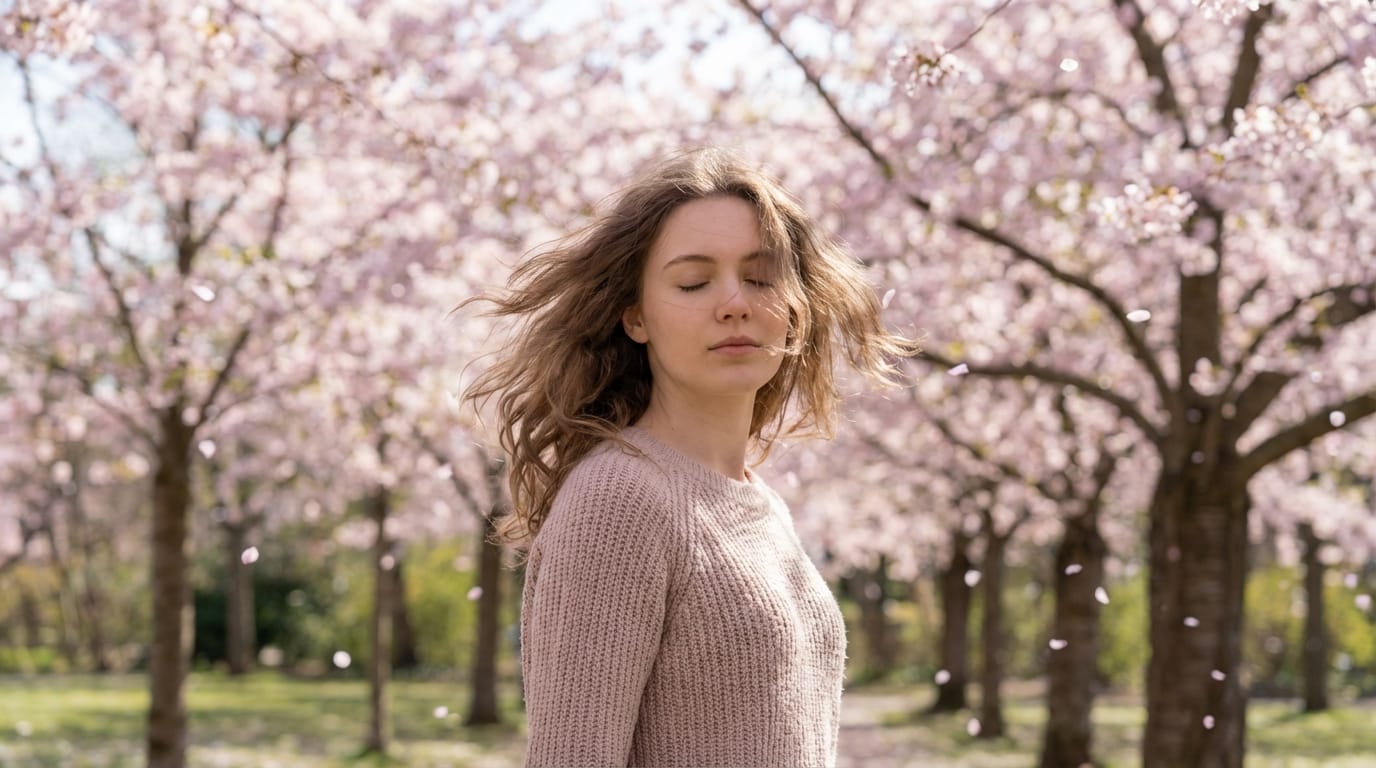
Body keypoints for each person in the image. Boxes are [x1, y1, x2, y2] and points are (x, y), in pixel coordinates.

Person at [464, 147, 915, 767]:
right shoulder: (619, 500)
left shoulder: (760, 503)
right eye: (693, 282)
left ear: (794, 309)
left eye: (761, 277)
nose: (734, 302)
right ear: (636, 318)